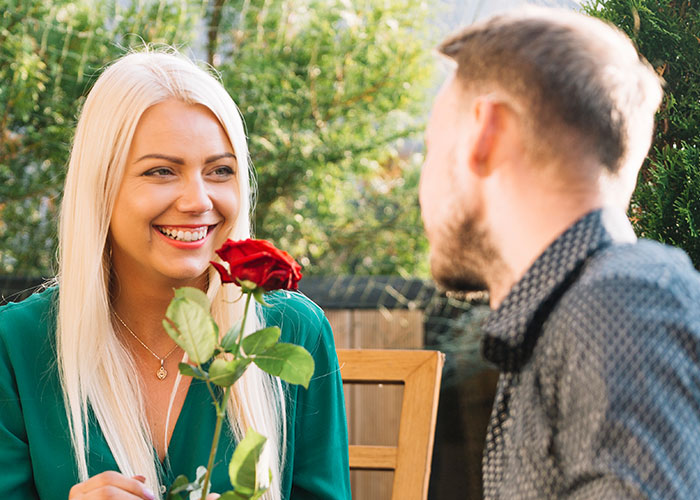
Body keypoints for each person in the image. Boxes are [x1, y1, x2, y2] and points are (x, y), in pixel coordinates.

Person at [0, 49, 350, 500]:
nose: (198, 200)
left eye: (219, 170)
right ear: (100, 185)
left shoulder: (294, 333)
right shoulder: (16, 346)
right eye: (162, 171)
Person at [420, 7, 700, 499]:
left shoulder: (621, 303)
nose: (422, 186)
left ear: (486, 130)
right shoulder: (565, 318)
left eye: (430, 148)